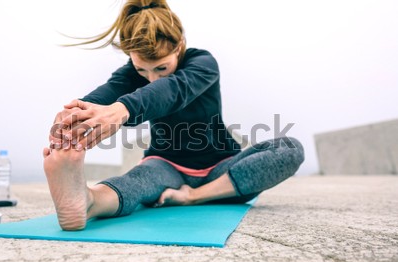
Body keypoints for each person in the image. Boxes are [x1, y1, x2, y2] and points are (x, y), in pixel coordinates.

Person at [43, 0, 305, 231]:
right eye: (142, 70)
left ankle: (195, 195)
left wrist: (123, 110)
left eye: (161, 67)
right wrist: (76, 114)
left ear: (178, 47)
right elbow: (110, 91)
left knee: (289, 149)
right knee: (136, 182)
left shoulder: (202, 63)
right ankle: (87, 202)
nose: (152, 77)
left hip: (220, 170)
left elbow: (172, 90)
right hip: (166, 165)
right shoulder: (131, 73)